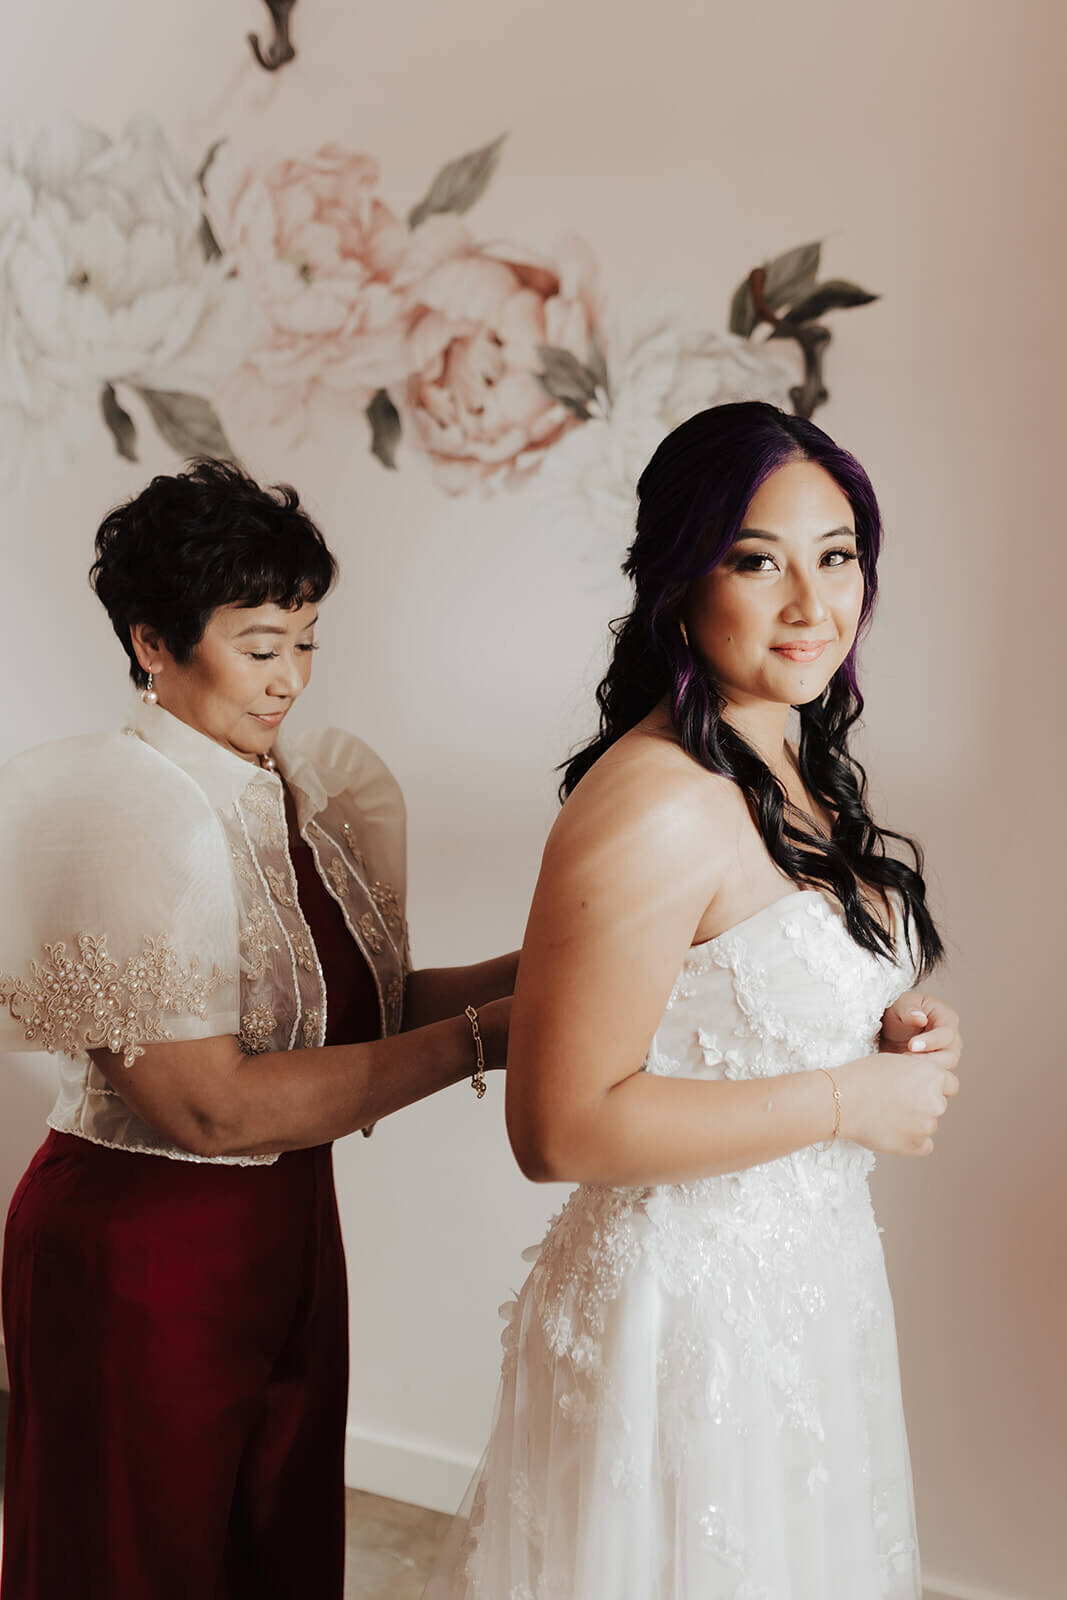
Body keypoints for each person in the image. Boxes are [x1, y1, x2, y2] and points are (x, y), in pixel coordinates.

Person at [428, 403, 963, 1599]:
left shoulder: (785, 754)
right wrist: (846, 1097)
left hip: (795, 1297)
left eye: (835, 557)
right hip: (686, 1331)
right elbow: (557, 1127)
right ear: (680, 576)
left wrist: (879, 1031)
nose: (808, 605)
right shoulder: (659, 797)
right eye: (754, 560)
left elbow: (729, 989)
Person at [0, 459, 514, 1600]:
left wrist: (564, 969)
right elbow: (209, 1105)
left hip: (285, 1238)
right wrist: (485, 1038)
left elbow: (363, 1017)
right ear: (152, 643)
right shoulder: (114, 814)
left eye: (307, 640)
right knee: (142, 1563)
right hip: (140, 1257)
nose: (290, 679)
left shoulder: (305, 795)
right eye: (259, 643)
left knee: (270, 1550)